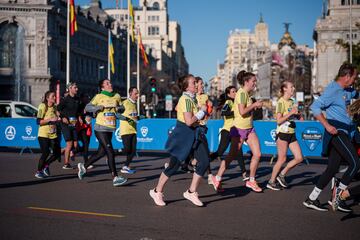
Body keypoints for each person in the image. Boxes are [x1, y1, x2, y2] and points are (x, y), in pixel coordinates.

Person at [303, 63, 360, 212]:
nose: (355, 79)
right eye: (354, 77)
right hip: (336, 131)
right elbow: (314, 107)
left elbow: (355, 95)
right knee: (355, 163)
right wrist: (327, 126)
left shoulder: (347, 90)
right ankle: (339, 196)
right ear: (347, 76)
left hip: (346, 131)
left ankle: (311, 198)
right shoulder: (333, 89)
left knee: (332, 169)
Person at [149, 74, 209, 207]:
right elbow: (188, 122)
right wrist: (201, 112)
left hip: (194, 134)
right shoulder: (186, 99)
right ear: (187, 87)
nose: (197, 84)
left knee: (204, 162)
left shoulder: (191, 99)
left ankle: (191, 192)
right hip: (184, 135)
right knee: (173, 166)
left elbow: (178, 109)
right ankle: (157, 191)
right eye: (194, 83)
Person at [211, 70, 263, 193]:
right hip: (239, 129)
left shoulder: (248, 94)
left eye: (255, 81)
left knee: (258, 154)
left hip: (249, 128)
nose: (255, 83)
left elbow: (248, 112)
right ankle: (217, 177)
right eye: (253, 81)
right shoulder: (241, 93)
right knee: (231, 156)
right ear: (246, 82)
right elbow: (242, 111)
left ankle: (251, 180)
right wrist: (254, 105)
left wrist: (255, 106)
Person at [77, 79, 127, 187]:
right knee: (110, 152)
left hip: (110, 128)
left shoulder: (117, 96)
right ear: (103, 87)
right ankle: (115, 177)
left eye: (110, 82)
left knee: (101, 152)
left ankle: (84, 166)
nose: (110, 84)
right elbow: (87, 107)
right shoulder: (99, 96)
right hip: (100, 128)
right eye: (107, 83)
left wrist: (119, 108)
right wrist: (98, 107)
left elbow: (122, 108)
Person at [266, 81, 303, 191]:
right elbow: (279, 121)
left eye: (293, 86)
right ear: (285, 89)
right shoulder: (281, 102)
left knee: (299, 158)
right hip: (282, 133)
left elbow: (293, 115)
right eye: (291, 87)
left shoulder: (292, 101)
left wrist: (298, 116)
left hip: (291, 132)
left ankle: (282, 175)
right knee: (282, 159)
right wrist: (291, 113)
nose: (293, 89)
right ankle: (271, 181)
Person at [208, 86, 248, 188]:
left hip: (236, 130)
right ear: (229, 94)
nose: (235, 93)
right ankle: (204, 161)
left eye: (236, 91)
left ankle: (244, 174)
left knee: (239, 152)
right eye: (233, 92)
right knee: (220, 152)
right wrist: (236, 112)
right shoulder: (228, 102)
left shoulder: (239, 102)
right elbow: (224, 112)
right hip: (227, 131)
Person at [35, 91, 61, 178]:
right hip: (43, 134)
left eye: (55, 96)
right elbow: (38, 121)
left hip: (53, 134)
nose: (55, 98)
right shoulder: (43, 106)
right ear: (47, 98)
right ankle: (38, 171)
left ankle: (46, 165)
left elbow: (56, 117)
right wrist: (50, 119)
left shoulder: (54, 106)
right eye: (53, 96)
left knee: (57, 153)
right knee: (45, 152)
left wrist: (58, 118)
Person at [57, 82, 81, 169]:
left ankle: (61, 151)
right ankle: (66, 163)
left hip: (73, 123)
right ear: (70, 89)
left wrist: (79, 117)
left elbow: (78, 110)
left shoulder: (77, 99)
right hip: (65, 124)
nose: (77, 89)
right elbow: (57, 109)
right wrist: (62, 117)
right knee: (70, 144)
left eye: (77, 87)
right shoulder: (65, 99)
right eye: (75, 87)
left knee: (75, 145)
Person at [119, 87, 139, 174]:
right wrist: (129, 120)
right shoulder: (125, 103)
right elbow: (117, 115)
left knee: (133, 151)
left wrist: (141, 117)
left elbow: (134, 117)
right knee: (127, 150)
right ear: (130, 93)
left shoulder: (135, 104)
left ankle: (125, 166)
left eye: (138, 93)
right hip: (126, 130)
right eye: (135, 93)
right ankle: (112, 153)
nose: (137, 95)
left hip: (133, 131)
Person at [76, 93, 92, 165]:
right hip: (81, 128)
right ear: (82, 98)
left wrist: (92, 115)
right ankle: (86, 162)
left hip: (88, 127)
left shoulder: (89, 106)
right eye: (86, 97)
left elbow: (91, 115)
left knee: (86, 144)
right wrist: (81, 115)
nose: (88, 98)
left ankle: (74, 151)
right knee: (85, 144)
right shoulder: (80, 106)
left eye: (88, 97)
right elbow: (77, 113)